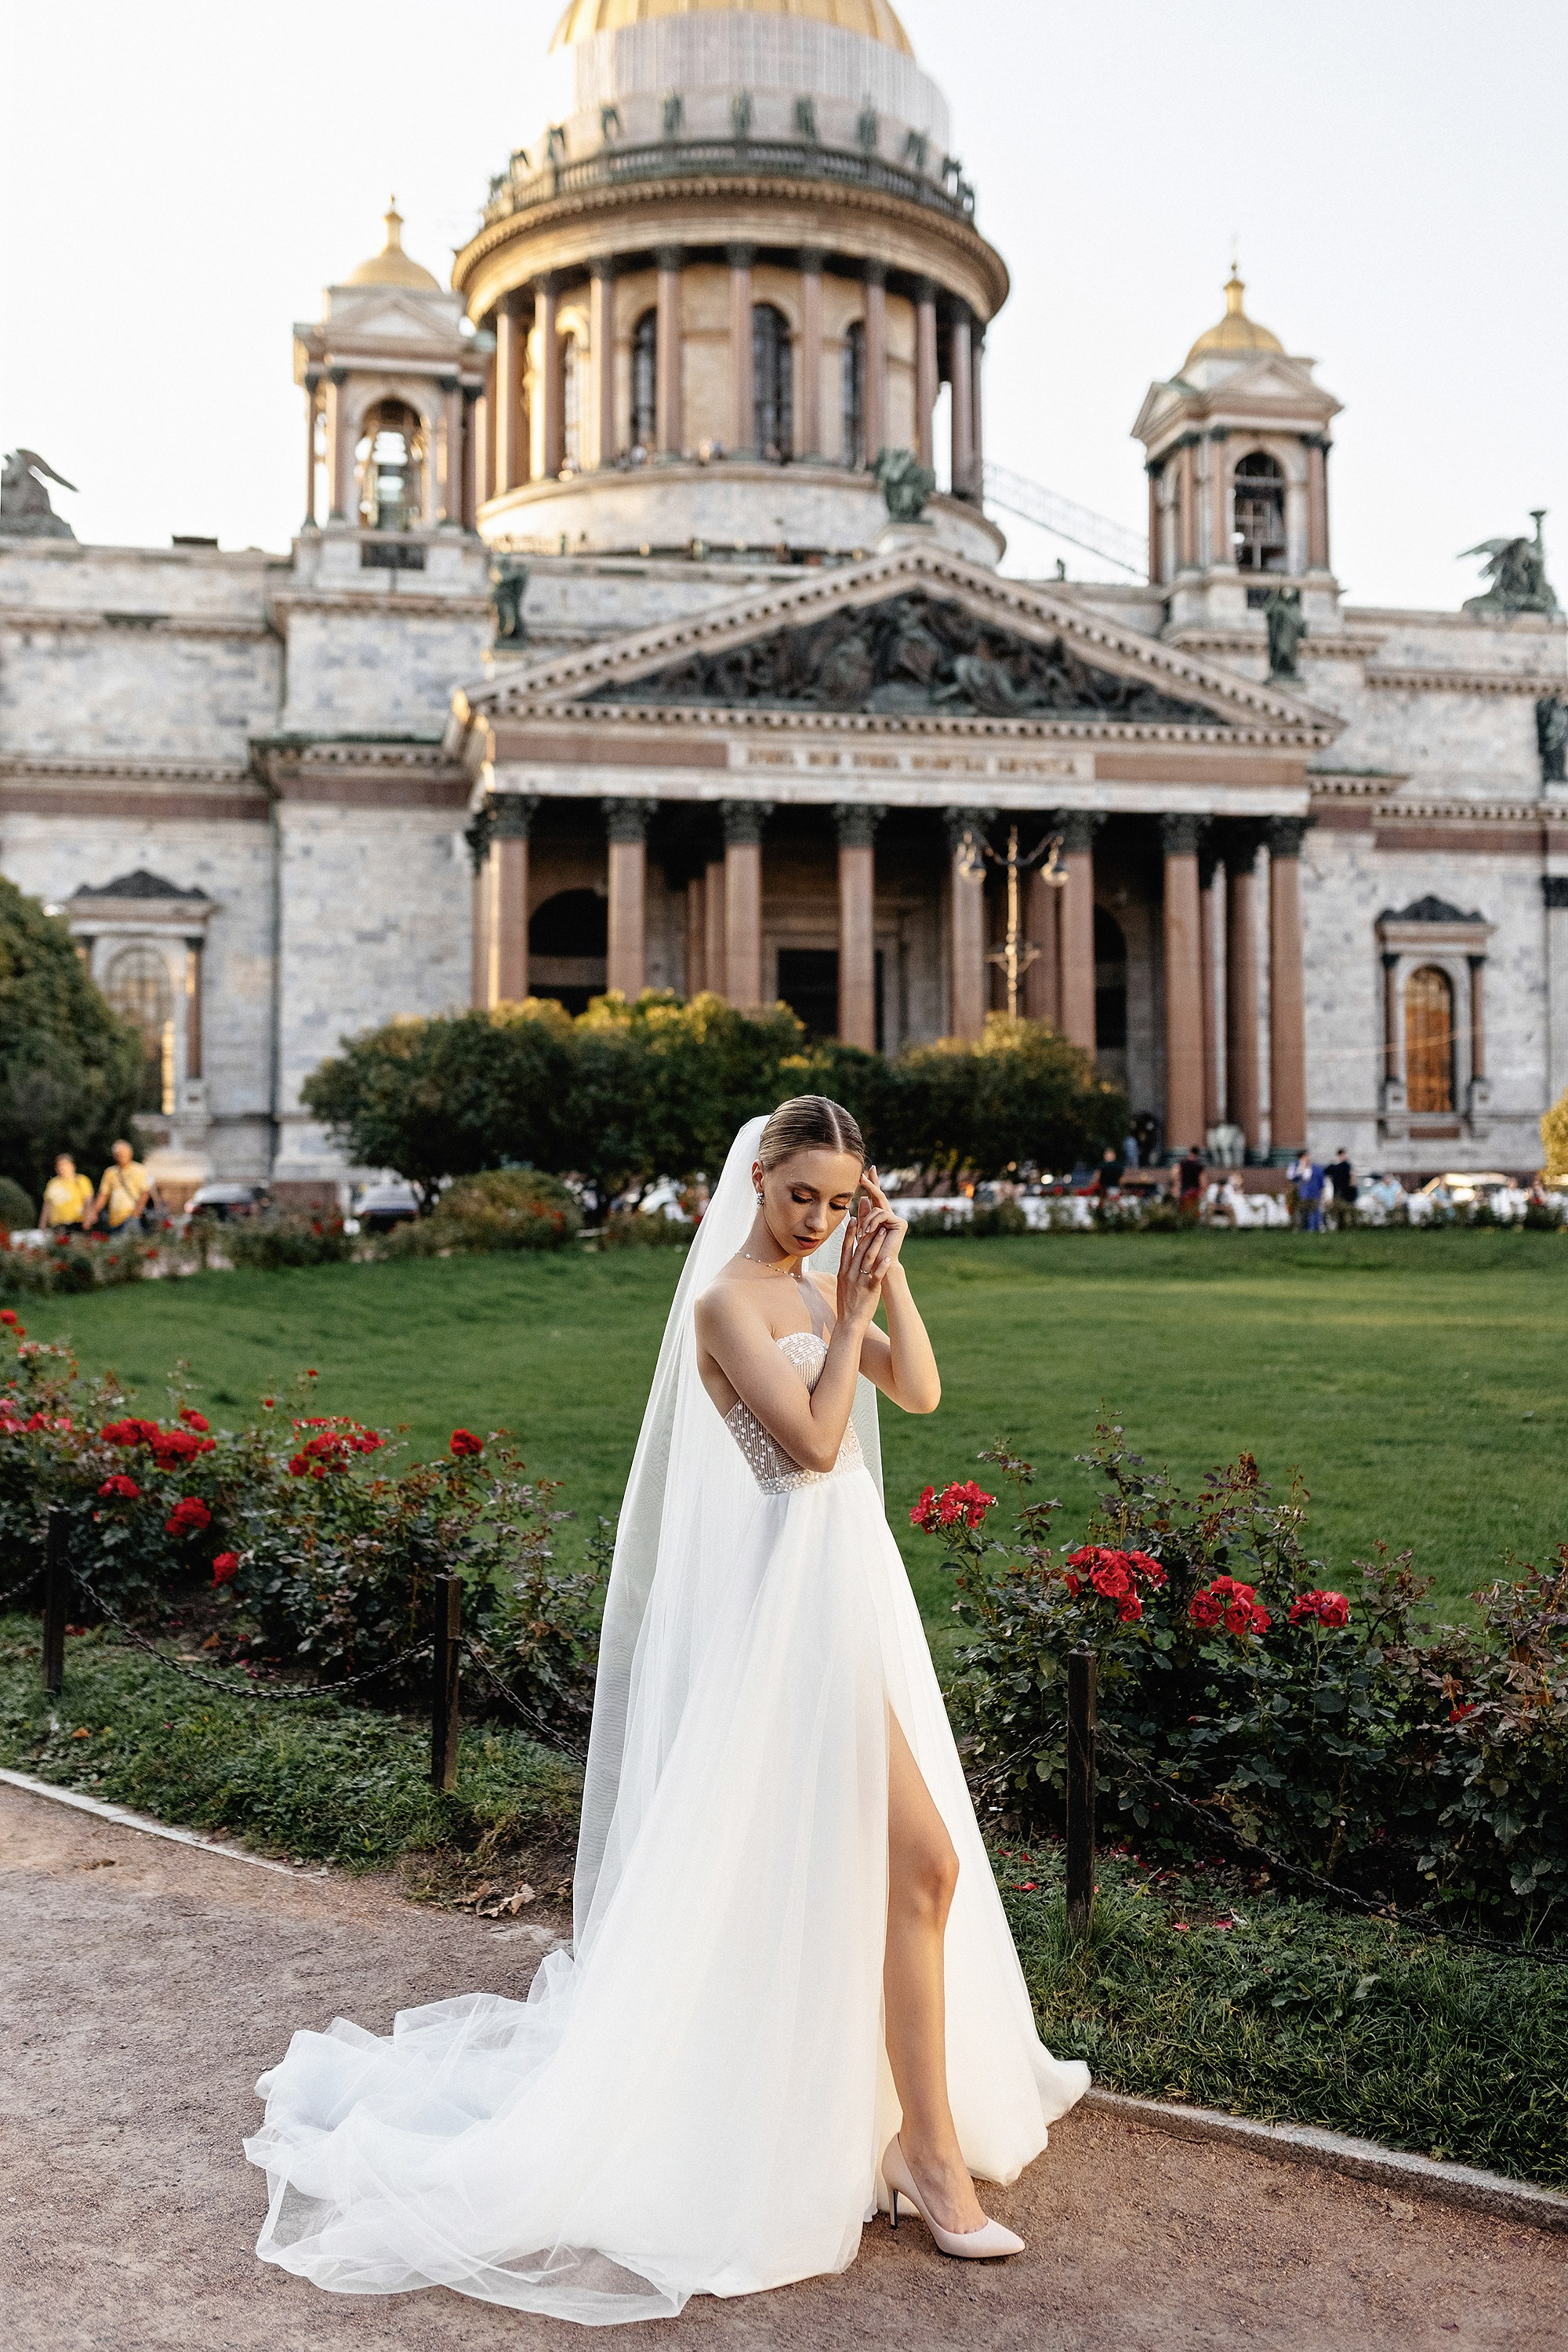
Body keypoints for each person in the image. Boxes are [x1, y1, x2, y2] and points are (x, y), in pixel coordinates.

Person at [245, 1098, 1088, 2323]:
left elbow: (921, 1395)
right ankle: (928, 2162)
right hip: (789, 1605)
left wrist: (885, 1282)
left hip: (854, 1593)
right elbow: (805, 1446)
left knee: (912, 1869)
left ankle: (914, 2141)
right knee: (922, 1863)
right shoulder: (727, 1306)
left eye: (842, 1202)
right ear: (756, 1176)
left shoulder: (822, 1287)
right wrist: (845, 1314)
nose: (818, 1220)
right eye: (802, 1195)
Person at [89, 1138, 150, 1232]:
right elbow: (103, 1195)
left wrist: (136, 1212)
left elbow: (145, 1193)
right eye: (118, 1154)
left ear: (130, 1153)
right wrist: (94, 1212)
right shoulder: (110, 1172)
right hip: (114, 1220)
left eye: (123, 1154)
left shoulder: (139, 1170)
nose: (121, 1156)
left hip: (131, 1218)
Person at [41, 1152, 93, 1230]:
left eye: (64, 1164)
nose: (61, 1167)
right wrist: (42, 1225)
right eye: (59, 1165)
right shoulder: (52, 1183)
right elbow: (47, 1206)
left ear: (72, 1166)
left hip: (76, 1223)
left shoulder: (81, 1180)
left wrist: (88, 1219)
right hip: (56, 1225)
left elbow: (88, 1201)